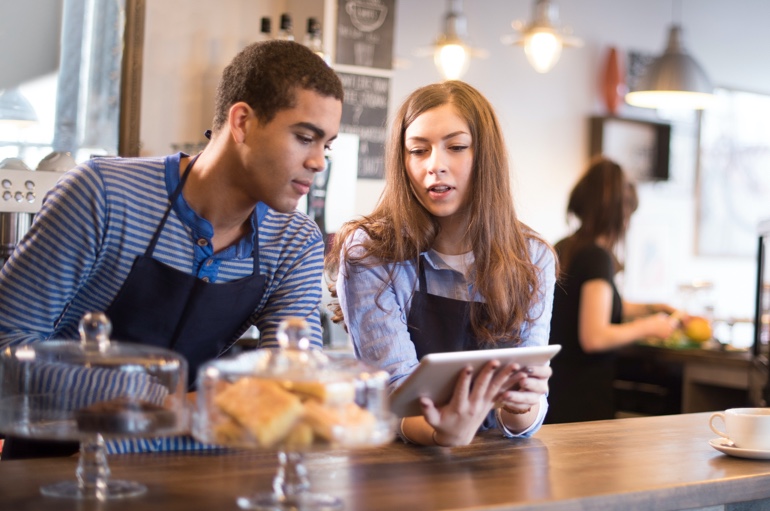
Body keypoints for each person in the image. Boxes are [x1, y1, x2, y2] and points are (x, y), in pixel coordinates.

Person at [0, 40, 344, 457]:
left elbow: (292, 377)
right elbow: (9, 345)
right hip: (56, 464)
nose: (319, 162)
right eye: (305, 138)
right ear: (242, 123)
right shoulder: (104, 194)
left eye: (326, 145)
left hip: (192, 471)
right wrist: (167, 403)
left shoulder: (295, 242)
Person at [327, 81, 556, 447]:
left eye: (457, 147)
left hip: (492, 466)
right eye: (418, 150)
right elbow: (392, 394)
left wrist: (520, 406)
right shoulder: (370, 251)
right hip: (394, 461)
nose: (435, 166)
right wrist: (441, 433)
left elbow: (525, 419)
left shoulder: (531, 257)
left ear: (486, 156)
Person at [546, 156, 680, 423]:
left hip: (556, 394)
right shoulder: (597, 257)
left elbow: (590, 307)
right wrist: (649, 327)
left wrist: (653, 307)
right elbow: (594, 336)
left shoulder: (565, 247)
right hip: (581, 403)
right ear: (619, 213)